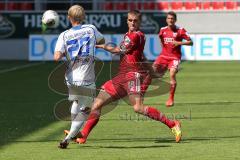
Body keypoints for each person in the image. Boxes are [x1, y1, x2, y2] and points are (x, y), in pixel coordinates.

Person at [69, 10, 181, 146]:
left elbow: (117, 50)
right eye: (130, 20)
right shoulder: (131, 35)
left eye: (135, 21)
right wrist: (152, 72)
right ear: (127, 21)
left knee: (138, 108)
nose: (132, 23)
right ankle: (83, 135)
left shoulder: (135, 36)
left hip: (133, 76)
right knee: (97, 105)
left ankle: (173, 124)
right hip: (121, 76)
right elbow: (141, 57)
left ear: (140, 22)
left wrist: (99, 46)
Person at [53, 5, 105, 149]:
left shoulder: (63, 35)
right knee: (86, 109)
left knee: (77, 101)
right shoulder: (91, 29)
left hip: (71, 78)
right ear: (83, 17)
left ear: (69, 18)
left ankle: (72, 130)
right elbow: (102, 41)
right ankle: (68, 139)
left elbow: (56, 57)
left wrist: (68, 52)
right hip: (86, 78)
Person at [153, 11, 193, 107]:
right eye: (169, 18)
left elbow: (191, 42)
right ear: (166, 20)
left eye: (172, 18)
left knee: (172, 74)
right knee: (152, 71)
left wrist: (179, 43)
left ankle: (171, 99)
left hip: (174, 57)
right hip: (163, 56)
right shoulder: (162, 30)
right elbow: (160, 38)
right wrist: (163, 50)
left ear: (175, 20)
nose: (170, 20)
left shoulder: (181, 30)